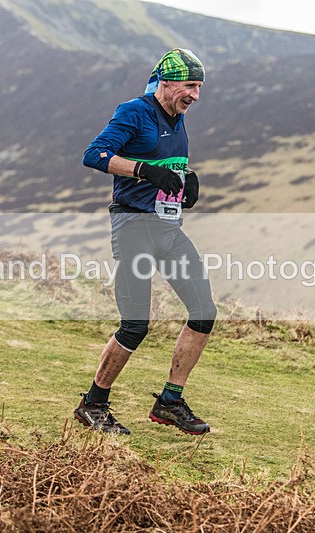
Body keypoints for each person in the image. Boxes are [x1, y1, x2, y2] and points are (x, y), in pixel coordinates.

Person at [75, 48, 217, 435]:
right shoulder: (134, 111)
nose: (196, 96)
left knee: (204, 313)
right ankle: (93, 404)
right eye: (190, 86)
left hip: (168, 230)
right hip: (134, 227)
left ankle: (170, 402)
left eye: (200, 87)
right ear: (167, 83)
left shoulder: (178, 115)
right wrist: (145, 171)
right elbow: (95, 155)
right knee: (135, 325)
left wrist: (185, 182)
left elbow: (166, 164)